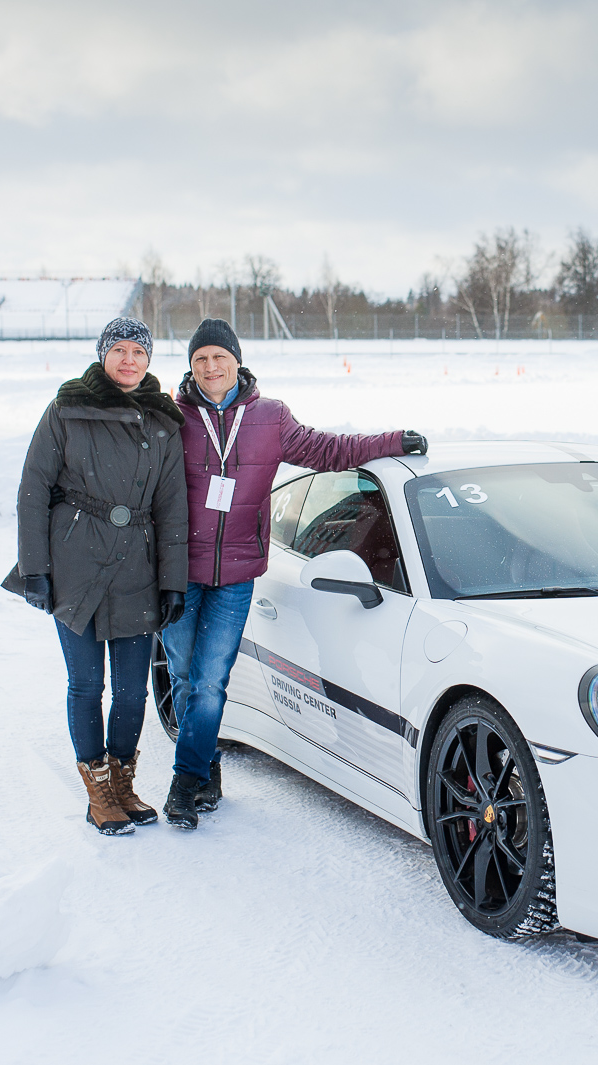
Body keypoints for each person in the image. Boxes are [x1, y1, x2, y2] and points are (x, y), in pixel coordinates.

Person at [161, 318, 427, 829]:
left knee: (210, 681)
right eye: (200, 360)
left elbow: (330, 452)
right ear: (191, 367)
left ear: (237, 360)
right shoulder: (172, 418)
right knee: (182, 674)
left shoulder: (270, 417)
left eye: (219, 356)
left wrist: (392, 439)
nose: (211, 367)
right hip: (179, 571)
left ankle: (185, 780)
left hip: (236, 576)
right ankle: (207, 768)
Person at [5, 317, 189, 835]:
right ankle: (98, 792)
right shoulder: (67, 407)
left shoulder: (163, 420)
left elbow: (174, 508)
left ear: (149, 360)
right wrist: (35, 569)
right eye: (119, 350)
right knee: (86, 684)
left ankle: (124, 785)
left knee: (132, 692)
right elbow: (33, 489)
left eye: (138, 351)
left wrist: (173, 579)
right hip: (76, 564)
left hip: (138, 567)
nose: (128, 360)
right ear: (103, 355)